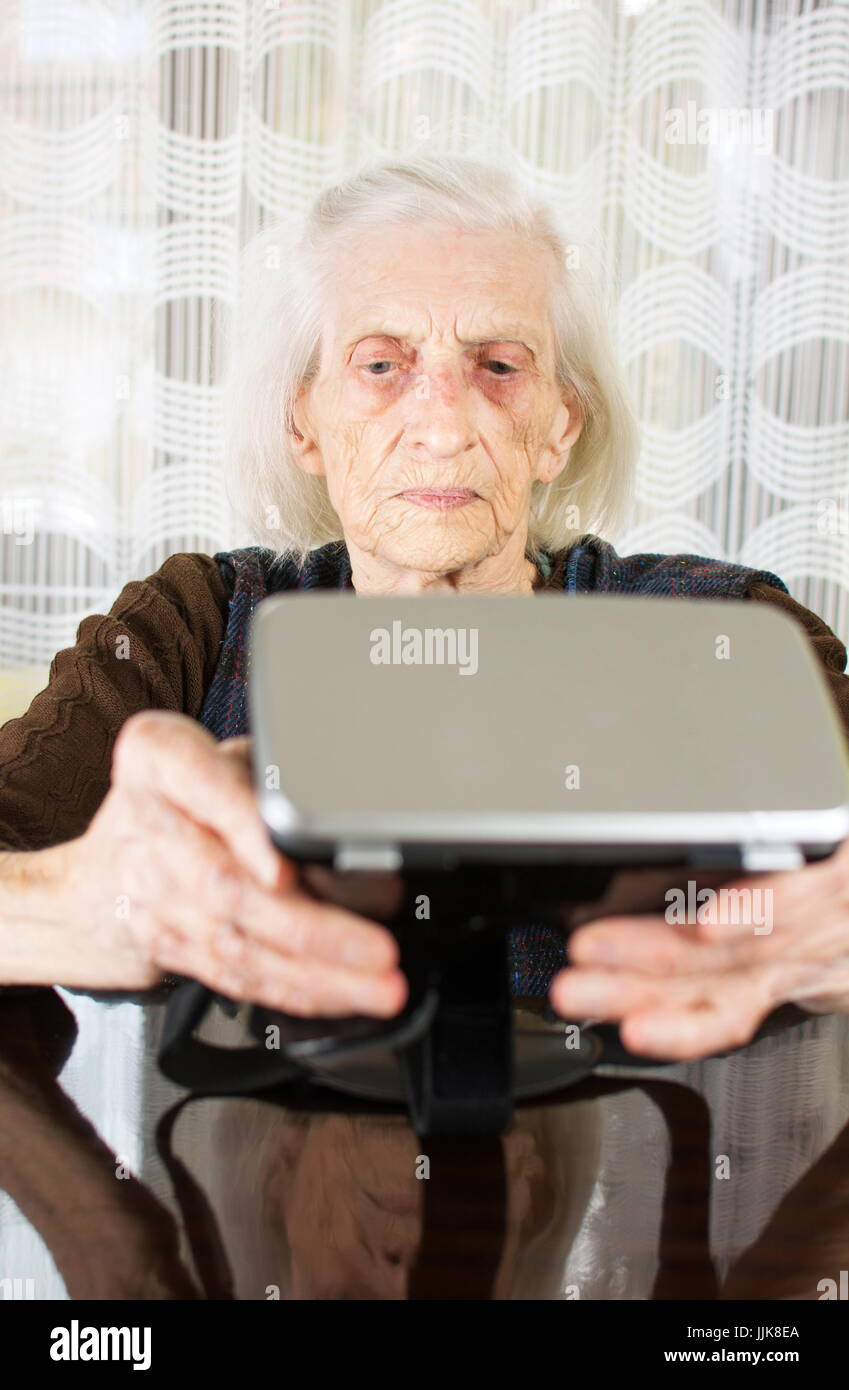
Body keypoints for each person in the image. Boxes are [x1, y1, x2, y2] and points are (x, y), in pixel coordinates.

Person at [2, 153, 848, 1062]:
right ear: (304, 422)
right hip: (271, 1186)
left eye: (497, 365)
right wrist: (83, 907)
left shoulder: (724, 633)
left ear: (558, 428)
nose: (443, 424)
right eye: (379, 364)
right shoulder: (198, 625)